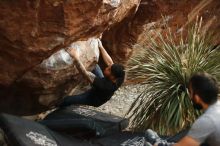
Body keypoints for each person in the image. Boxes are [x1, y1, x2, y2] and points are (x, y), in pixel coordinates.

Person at [145, 72, 220, 146]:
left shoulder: (207, 121)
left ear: (197, 97)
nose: (190, 96)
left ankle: (158, 143)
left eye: (190, 92)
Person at [56, 39, 125, 107]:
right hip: (103, 83)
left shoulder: (104, 85)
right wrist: (100, 46)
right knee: (95, 66)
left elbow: (85, 73)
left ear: (113, 77)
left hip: (94, 98)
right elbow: (110, 63)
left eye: (109, 70)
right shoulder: (120, 75)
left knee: (68, 100)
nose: (106, 68)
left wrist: (75, 57)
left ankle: (57, 106)